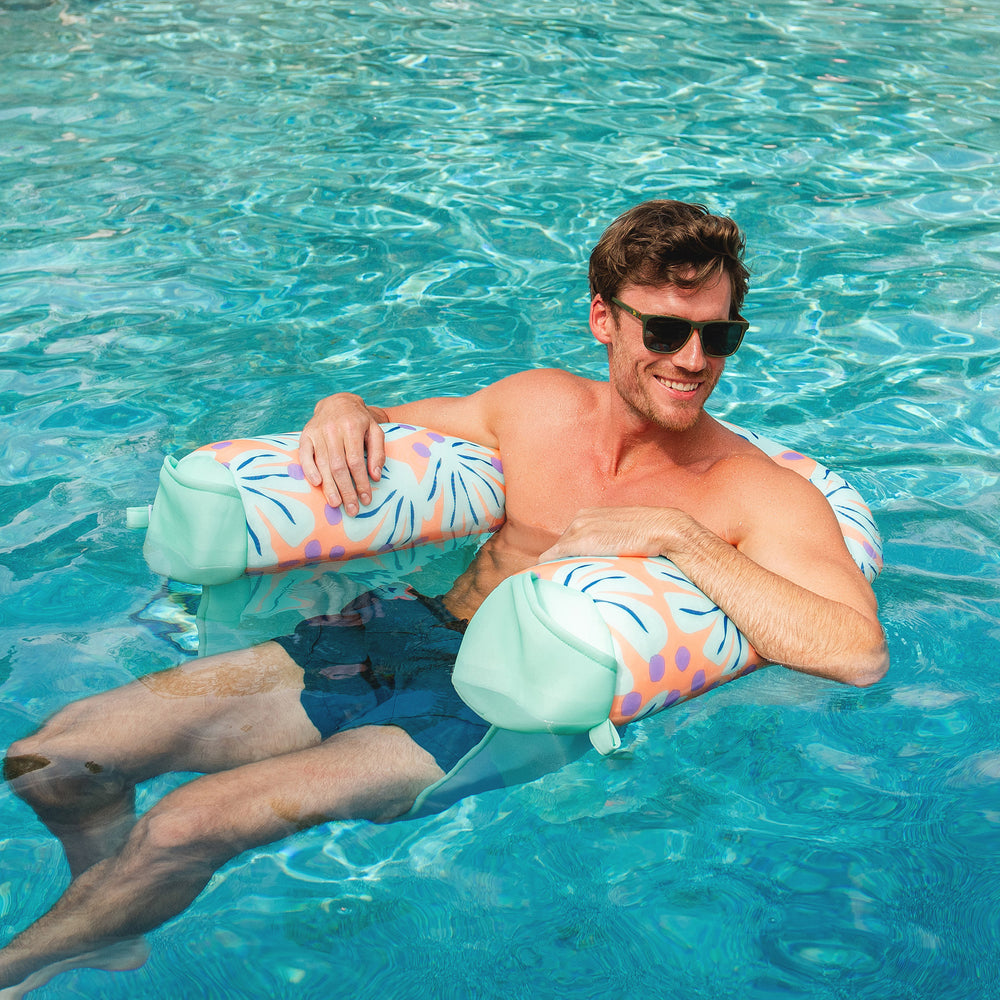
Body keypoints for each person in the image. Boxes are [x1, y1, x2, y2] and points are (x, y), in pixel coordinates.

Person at [0, 200, 888, 996]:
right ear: (603, 320)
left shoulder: (755, 493)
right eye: (664, 331)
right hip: (400, 631)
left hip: (496, 711)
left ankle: (25, 965)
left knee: (188, 824)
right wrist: (343, 403)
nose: (693, 361)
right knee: (57, 758)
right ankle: (107, 918)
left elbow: (858, 652)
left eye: (719, 337)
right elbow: (393, 420)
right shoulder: (537, 406)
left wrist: (678, 538)